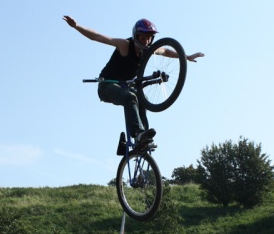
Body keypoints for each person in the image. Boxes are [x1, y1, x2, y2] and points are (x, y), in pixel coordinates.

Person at [63, 15, 204, 146]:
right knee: (130, 97)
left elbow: (167, 51)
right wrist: (77, 26)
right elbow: (97, 36)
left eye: (149, 38)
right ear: (136, 36)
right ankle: (137, 133)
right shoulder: (124, 45)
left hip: (126, 86)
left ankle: (144, 138)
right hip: (107, 85)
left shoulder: (149, 49)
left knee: (142, 98)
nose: (146, 41)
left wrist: (186, 57)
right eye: (143, 38)